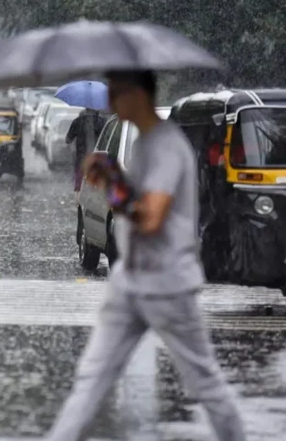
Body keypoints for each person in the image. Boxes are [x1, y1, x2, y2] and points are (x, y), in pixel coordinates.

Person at [46, 70, 245, 441]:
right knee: (92, 378)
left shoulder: (167, 147)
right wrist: (113, 180)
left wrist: (111, 182)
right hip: (129, 278)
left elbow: (149, 217)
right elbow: (133, 207)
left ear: (138, 95)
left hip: (167, 281)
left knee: (204, 381)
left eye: (118, 93)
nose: (112, 102)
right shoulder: (141, 146)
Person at [66, 108, 107, 199]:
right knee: (97, 180)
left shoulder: (77, 122)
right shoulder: (103, 122)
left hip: (81, 157)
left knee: (79, 180)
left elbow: (68, 139)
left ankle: (79, 201)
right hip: (98, 156)